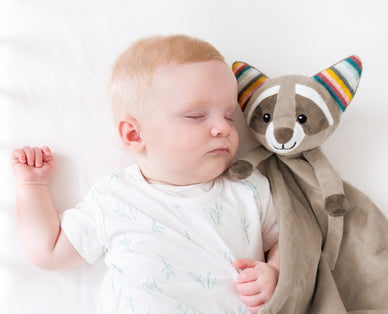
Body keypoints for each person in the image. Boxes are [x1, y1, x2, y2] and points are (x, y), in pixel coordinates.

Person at [11, 34, 279, 314]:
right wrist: (31, 186)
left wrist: (274, 272)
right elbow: (50, 251)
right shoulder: (116, 198)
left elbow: (291, 242)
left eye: (228, 115)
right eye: (197, 116)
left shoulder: (248, 189)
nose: (223, 128)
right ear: (135, 134)